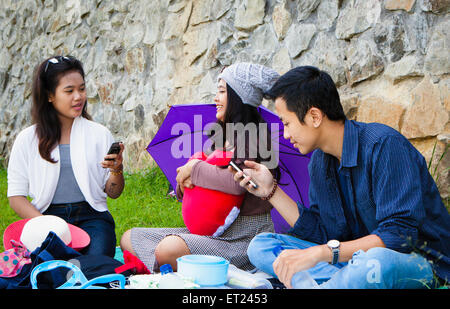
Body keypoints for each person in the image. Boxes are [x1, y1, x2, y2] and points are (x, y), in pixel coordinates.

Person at [232, 66, 450, 288]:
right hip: (350, 261)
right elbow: (319, 233)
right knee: (261, 246)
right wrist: (270, 191)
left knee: (376, 263)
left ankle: (325, 282)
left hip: (418, 264)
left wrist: (322, 253)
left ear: (314, 116)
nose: (286, 135)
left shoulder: (384, 146)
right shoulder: (319, 162)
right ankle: (335, 282)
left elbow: (399, 236)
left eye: (287, 123)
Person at [120, 62, 280, 272]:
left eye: (222, 91)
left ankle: (164, 263)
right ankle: (165, 264)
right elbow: (208, 188)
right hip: (213, 233)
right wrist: (183, 184)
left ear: (239, 97)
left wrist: (194, 169)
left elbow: (237, 184)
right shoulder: (223, 139)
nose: (216, 98)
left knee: (169, 248)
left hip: (244, 238)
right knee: (130, 237)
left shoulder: (255, 136)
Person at [7, 56, 124, 257]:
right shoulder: (27, 139)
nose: (78, 97)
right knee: (50, 274)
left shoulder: (99, 134)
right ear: (50, 95)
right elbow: (16, 197)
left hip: (92, 217)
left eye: (82, 88)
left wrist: (116, 170)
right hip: (45, 216)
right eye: (69, 91)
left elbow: (113, 192)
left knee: (95, 268)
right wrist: (47, 224)